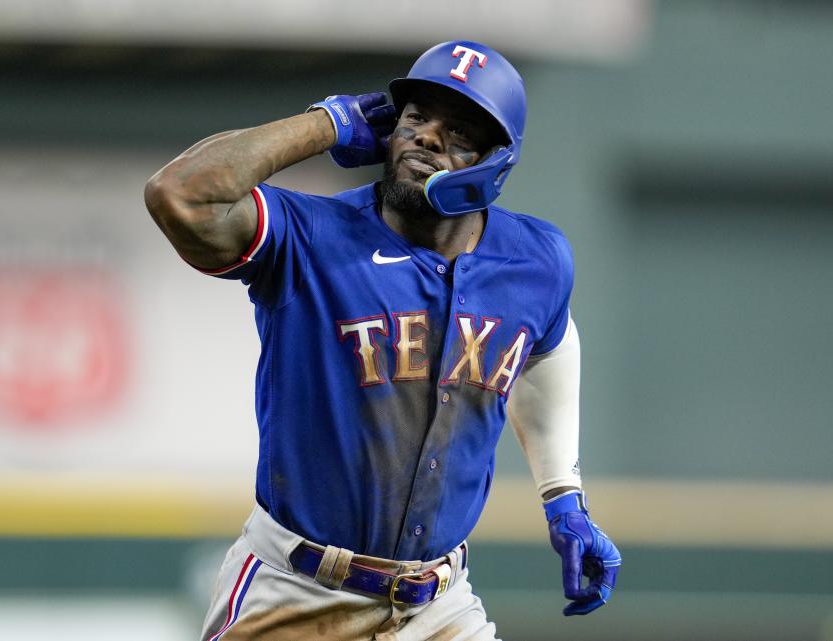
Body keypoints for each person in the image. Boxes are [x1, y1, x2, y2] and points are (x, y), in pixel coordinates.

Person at [144, 40, 621, 641]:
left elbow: (547, 347)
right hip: (299, 592)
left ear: (495, 162)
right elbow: (179, 194)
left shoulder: (537, 259)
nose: (424, 137)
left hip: (438, 605)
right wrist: (327, 123)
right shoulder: (310, 237)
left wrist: (564, 500)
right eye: (415, 117)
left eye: (457, 131)